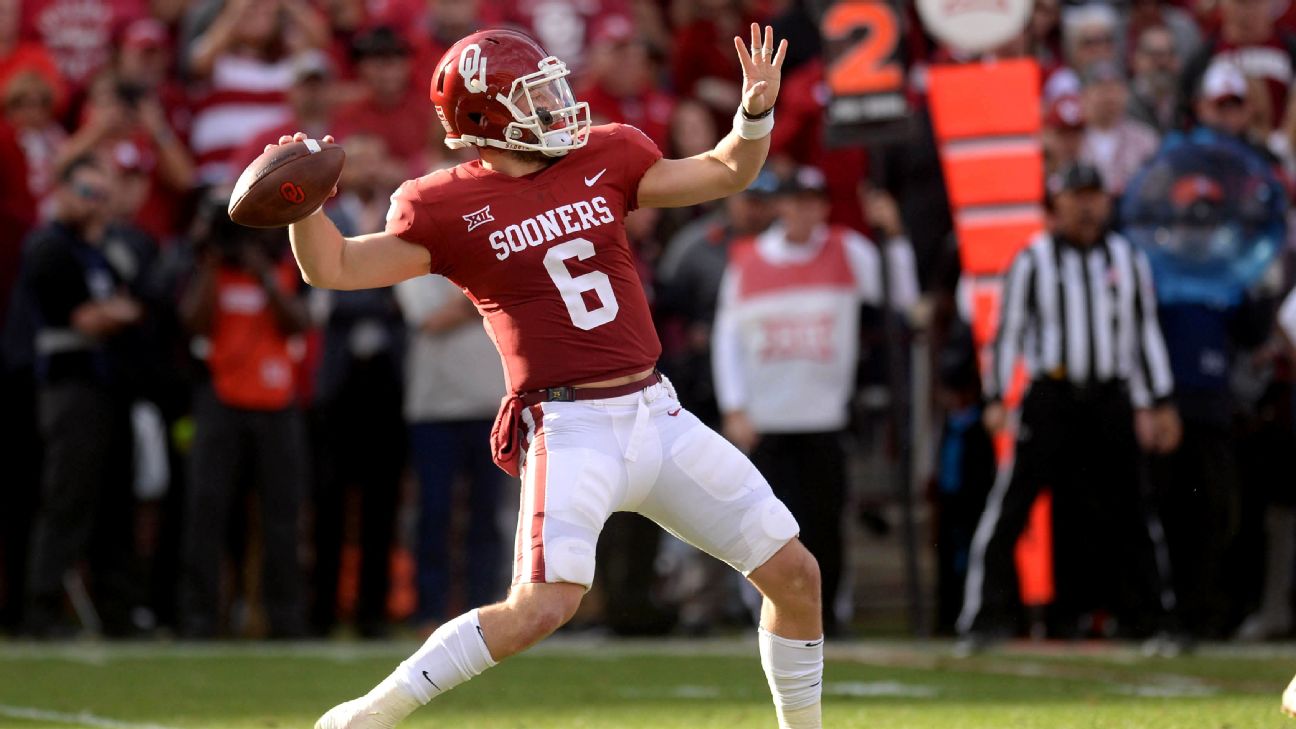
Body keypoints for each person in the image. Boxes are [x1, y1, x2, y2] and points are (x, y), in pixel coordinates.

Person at [270, 24, 823, 729]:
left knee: (794, 572)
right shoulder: (444, 204)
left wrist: (754, 114)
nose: (558, 104)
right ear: (483, 116)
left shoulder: (607, 154)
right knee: (542, 606)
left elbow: (725, 170)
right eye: (534, 94)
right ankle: (363, 716)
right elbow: (337, 267)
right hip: (569, 424)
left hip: (657, 410)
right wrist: (302, 205)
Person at [957, 163, 1181, 646]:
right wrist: (997, 396)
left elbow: (1144, 333)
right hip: (1051, 397)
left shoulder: (1127, 257)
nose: (1086, 205)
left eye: (1094, 195)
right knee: (1012, 506)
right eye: (1076, 195)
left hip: (1110, 396)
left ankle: (1152, 619)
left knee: (1131, 510)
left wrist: (1160, 400)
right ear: (1056, 204)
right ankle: (983, 617)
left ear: (1107, 201)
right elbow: (1006, 333)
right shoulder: (1033, 260)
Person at [712, 165, 919, 635]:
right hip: (766, 419)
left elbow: (902, 296)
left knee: (825, 522)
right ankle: (766, 614)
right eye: (795, 201)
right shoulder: (748, 259)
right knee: (764, 527)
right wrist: (735, 406)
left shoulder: (847, 250)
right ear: (780, 205)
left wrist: (894, 235)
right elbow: (729, 340)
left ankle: (828, 615)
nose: (804, 212)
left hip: (823, 417)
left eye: (813, 202)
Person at [19, 156, 146, 638]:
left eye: (101, 193)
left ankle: (119, 611)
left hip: (112, 388)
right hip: (69, 389)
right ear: (66, 193)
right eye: (86, 192)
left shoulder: (112, 250)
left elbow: (140, 301)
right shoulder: (50, 247)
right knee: (66, 500)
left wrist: (117, 310)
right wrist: (118, 312)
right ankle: (41, 610)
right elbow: (87, 319)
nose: (95, 203)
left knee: (117, 502)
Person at [177, 193, 311, 639]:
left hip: (276, 405)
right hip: (221, 401)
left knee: (281, 517)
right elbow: (193, 322)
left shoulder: (285, 270)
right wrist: (213, 261)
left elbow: (298, 322)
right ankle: (198, 619)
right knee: (206, 512)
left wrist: (265, 275)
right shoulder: (212, 272)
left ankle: (284, 620)